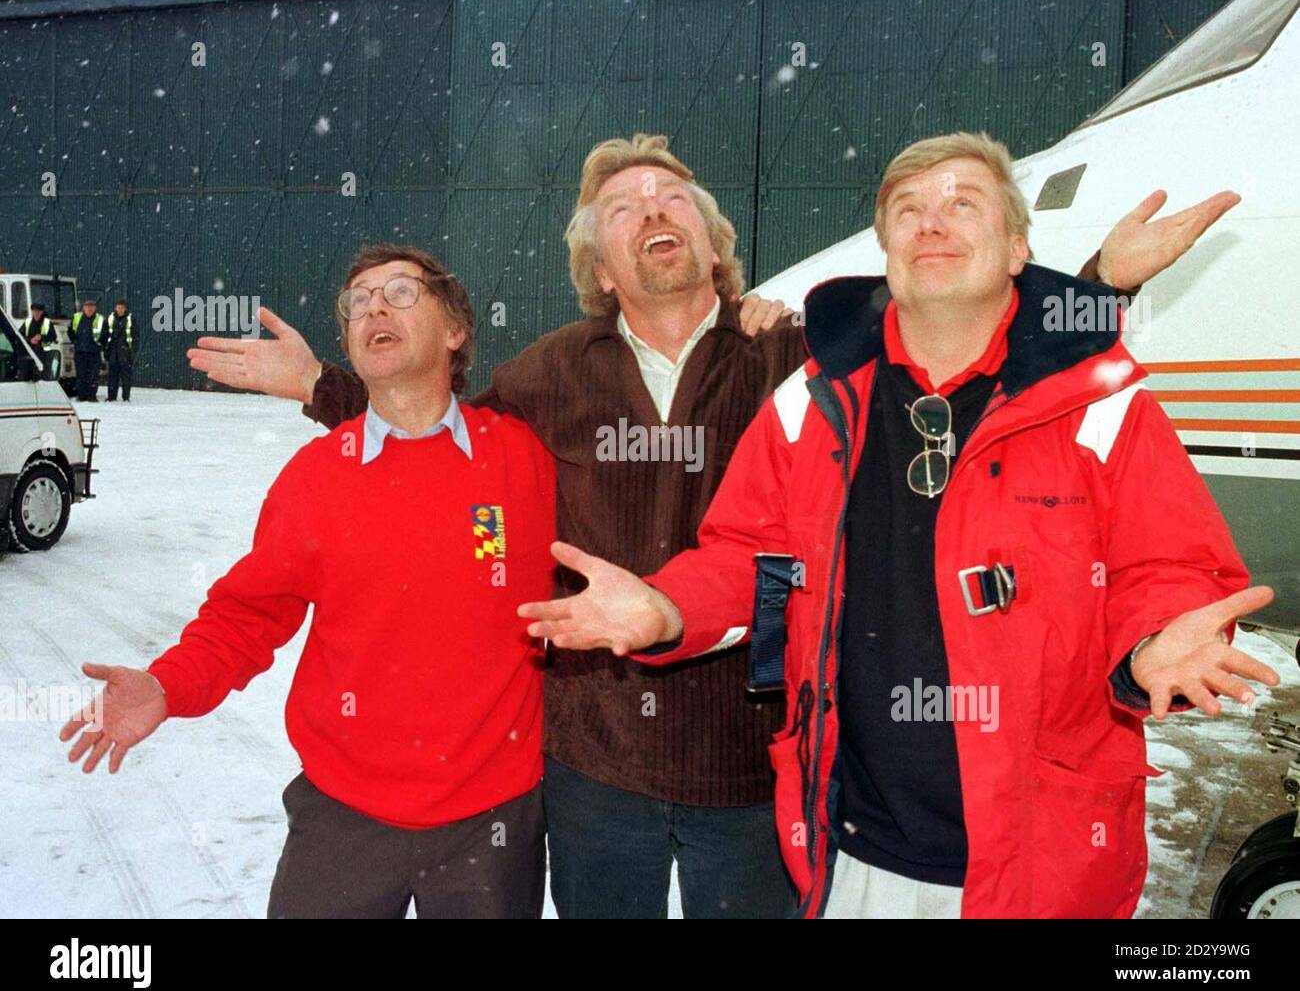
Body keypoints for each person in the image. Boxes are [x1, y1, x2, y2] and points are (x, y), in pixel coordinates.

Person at [185, 133, 1242, 919]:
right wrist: (326, 389)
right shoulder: (547, 377)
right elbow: (434, 431)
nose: (651, 208)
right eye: (621, 205)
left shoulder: (794, 361)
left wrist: (1089, 292)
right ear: (599, 263)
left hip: (757, 767)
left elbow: (976, 339)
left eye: (671, 196)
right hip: (599, 767)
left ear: (712, 242)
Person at [515, 132, 1281, 919]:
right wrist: (668, 607)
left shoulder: (1101, 406)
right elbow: (747, 555)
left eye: (962, 203)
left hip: (1037, 857)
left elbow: (1168, 565)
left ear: (1019, 245)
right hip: (851, 850)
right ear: (887, 251)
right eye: (908, 210)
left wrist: (1155, 637)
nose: (932, 223)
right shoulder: (813, 402)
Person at [60, 245, 557, 919]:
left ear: (455, 329)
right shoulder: (316, 477)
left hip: (490, 825)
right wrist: (168, 683)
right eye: (358, 301)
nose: (374, 306)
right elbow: (246, 616)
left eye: (402, 292)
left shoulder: (524, 459)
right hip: (342, 816)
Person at [69, 299, 105, 402]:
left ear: (95, 308)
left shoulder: (100, 319)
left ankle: (92, 396)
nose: (89, 309)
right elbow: (70, 331)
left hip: (94, 352)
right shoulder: (76, 317)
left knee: (93, 375)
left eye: (91, 307)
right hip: (80, 352)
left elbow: (106, 333)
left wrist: (100, 343)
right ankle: (81, 396)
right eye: (87, 307)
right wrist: (75, 341)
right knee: (81, 375)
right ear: (83, 308)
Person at [101, 299, 135, 402]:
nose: (120, 309)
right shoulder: (110, 318)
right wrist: (105, 348)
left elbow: (135, 335)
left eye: (122, 308)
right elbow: (104, 334)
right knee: (112, 376)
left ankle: (126, 397)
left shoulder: (130, 319)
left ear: (125, 308)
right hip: (113, 351)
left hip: (125, 351)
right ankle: (111, 397)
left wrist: (133, 350)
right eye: (118, 307)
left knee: (126, 377)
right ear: (115, 308)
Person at [16, 302, 56, 380]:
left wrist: (42, 337)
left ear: (42, 312)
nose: (36, 313)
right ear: (32, 312)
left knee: (42, 377)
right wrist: (30, 340)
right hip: (29, 353)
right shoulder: (27, 322)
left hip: (44, 354)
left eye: (38, 311)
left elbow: (53, 336)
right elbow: (19, 336)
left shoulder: (47, 322)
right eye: (34, 311)